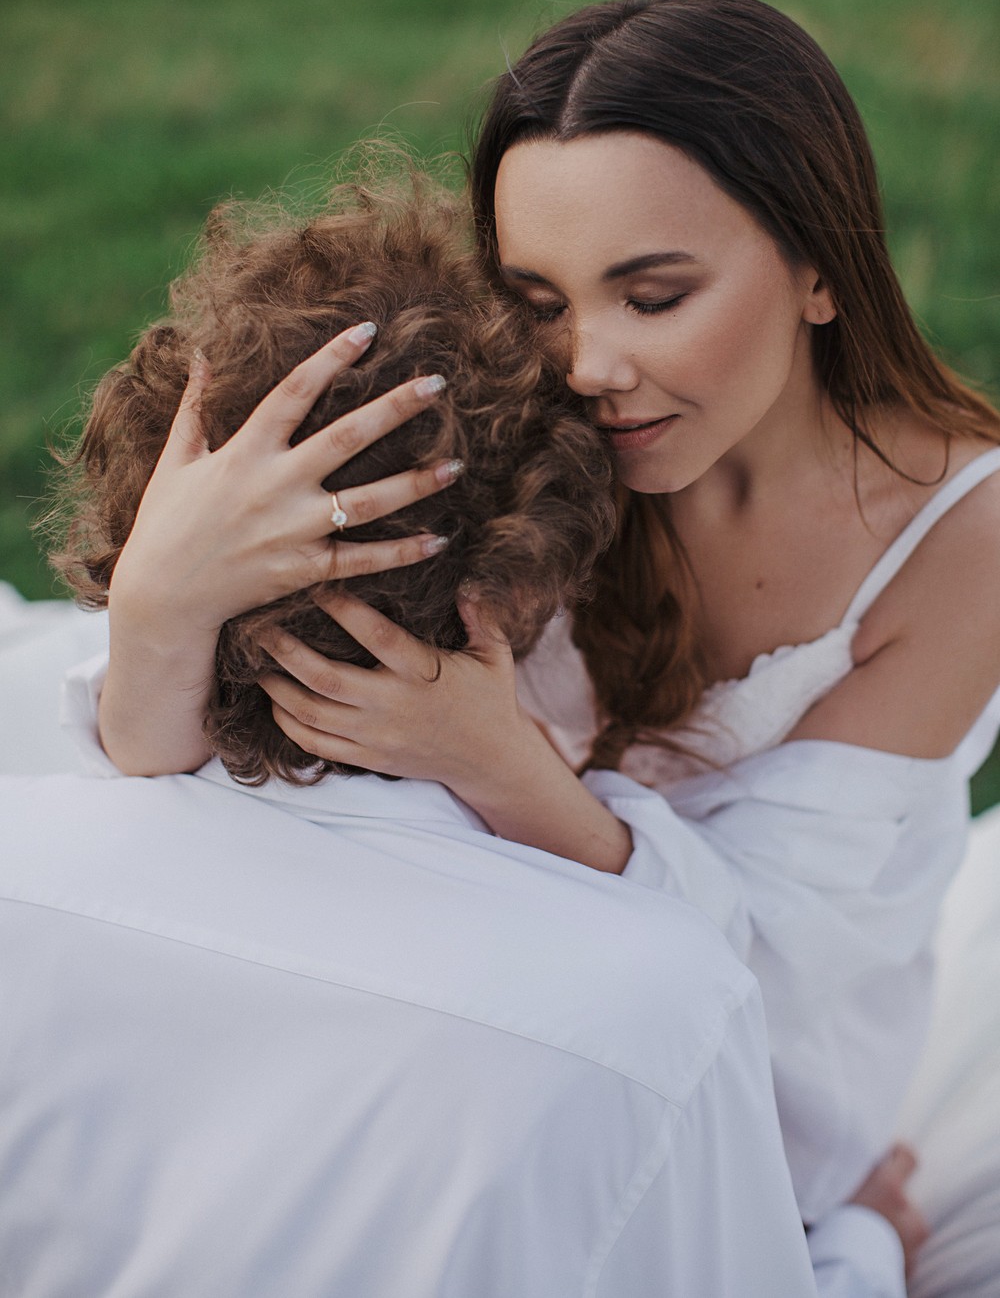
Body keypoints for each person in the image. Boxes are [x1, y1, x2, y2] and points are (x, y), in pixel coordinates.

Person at [0, 172, 907, 1297]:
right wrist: (864, 1245)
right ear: (523, 593)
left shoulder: (26, 858)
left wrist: (153, 618)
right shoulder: (651, 1018)